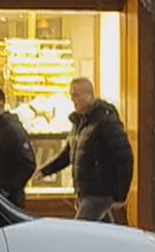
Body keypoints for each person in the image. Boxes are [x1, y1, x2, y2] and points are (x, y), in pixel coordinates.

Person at [36, 77, 134, 222]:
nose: (73, 100)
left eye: (76, 95)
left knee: (79, 234)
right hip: (85, 192)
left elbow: (124, 157)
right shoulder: (79, 124)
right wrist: (45, 170)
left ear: (89, 95)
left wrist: (121, 195)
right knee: (103, 233)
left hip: (99, 194)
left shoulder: (105, 121)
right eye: (71, 96)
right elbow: (68, 154)